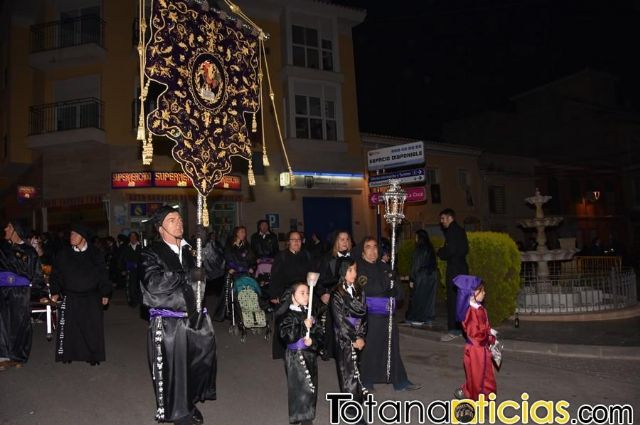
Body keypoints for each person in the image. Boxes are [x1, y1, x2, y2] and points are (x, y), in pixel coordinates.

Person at [140, 206, 225, 425]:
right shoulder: (151, 252)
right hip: (170, 322)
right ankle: (179, 413)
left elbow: (217, 269)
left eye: (179, 219)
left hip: (196, 319)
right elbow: (153, 284)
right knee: (174, 369)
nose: (179, 223)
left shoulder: (192, 250)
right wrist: (185, 275)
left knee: (197, 365)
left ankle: (188, 403)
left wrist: (206, 244)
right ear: (160, 229)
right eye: (171, 220)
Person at [357, 237, 421, 392]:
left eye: (375, 247)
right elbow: (371, 288)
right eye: (368, 247)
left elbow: (399, 291)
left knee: (392, 348)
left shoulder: (385, 267)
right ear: (363, 251)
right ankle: (366, 379)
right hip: (371, 316)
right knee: (370, 348)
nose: (372, 251)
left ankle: (399, 380)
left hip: (389, 315)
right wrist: (388, 283)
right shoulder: (360, 268)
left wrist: (393, 288)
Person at [50, 223, 111, 365]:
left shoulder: (95, 254)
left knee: (91, 327)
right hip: (70, 296)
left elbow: (103, 274)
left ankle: (92, 355)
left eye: (75, 234)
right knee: (70, 328)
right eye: (71, 234)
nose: (71, 237)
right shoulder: (63, 254)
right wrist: (55, 291)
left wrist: (105, 293)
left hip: (91, 297)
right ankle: (68, 354)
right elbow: (56, 274)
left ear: (83, 238)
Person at [0, 220, 44, 371]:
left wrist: (41, 293)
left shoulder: (29, 251)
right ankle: (4, 355)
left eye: (9, 227)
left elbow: (37, 274)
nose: (5, 229)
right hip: (2, 291)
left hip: (20, 293)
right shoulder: (2, 248)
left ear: (16, 230)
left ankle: (17, 356)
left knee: (19, 323)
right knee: (2, 323)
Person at [277, 281, 322, 425]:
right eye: (302, 293)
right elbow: (286, 335)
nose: (306, 296)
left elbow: (319, 333)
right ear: (293, 297)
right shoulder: (287, 315)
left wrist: (312, 341)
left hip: (309, 355)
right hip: (295, 357)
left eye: (307, 293)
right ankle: (301, 417)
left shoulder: (308, 313)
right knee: (299, 387)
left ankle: (307, 413)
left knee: (311, 385)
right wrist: (303, 325)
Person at [330, 259, 368, 414]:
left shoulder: (359, 290)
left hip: (358, 333)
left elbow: (365, 315)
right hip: (344, 336)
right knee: (347, 370)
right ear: (342, 271)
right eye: (350, 270)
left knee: (357, 366)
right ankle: (350, 405)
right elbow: (340, 321)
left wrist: (361, 336)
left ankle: (358, 396)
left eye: (355, 270)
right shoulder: (337, 294)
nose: (354, 274)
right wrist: (353, 338)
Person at [452, 275, 497, 401]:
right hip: (476, 350)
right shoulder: (471, 312)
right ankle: (477, 399)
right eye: (482, 291)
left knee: (483, 375)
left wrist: (489, 332)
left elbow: (483, 327)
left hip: (481, 348)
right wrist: (489, 337)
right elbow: (476, 335)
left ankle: (478, 395)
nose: (484, 293)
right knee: (478, 377)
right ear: (473, 293)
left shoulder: (478, 308)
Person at [270, 231, 313, 359]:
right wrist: (274, 294)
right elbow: (275, 276)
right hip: (286, 293)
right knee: (284, 320)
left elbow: (312, 273)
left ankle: (305, 346)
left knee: (304, 320)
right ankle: (282, 350)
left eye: (299, 239)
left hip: (304, 293)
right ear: (288, 242)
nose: (296, 242)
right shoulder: (281, 256)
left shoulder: (307, 255)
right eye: (293, 239)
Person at [317, 231, 353, 360]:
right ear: (336, 242)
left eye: (346, 239)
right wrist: (323, 293)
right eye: (341, 239)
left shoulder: (354, 258)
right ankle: (331, 350)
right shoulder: (327, 259)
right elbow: (320, 279)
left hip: (350, 295)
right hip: (333, 295)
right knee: (333, 325)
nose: (344, 242)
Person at [437, 208, 469, 342]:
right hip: (462, 268)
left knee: (453, 299)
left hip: (454, 269)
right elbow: (465, 249)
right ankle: (463, 328)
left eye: (443, 218)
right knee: (462, 299)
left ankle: (453, 330)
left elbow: (450, 250)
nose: (441, 221)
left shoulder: (451, 231)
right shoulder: (461, 230)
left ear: (450, 218)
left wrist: (440, 252)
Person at [406, 230, 438, 327]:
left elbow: (416, 265)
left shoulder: (419, 249)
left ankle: (417, 318)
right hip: (432, 275)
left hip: (422, 276)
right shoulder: (430, 248)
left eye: (416, 237)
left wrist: (412, 279)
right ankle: (428, 317)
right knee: (429, 298)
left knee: (418, 297)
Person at [120, 231, 143, 307]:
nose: (133, 238)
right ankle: (133, 302)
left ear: (137, 237)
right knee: (131, 287)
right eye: (131, 236)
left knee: (140, 287)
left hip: (140, 271)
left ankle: (141, 301)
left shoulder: (142, 247)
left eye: (134, 236)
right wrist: (123, 269)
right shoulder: (126, 248)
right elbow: (122, 259)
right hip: (130, 270)